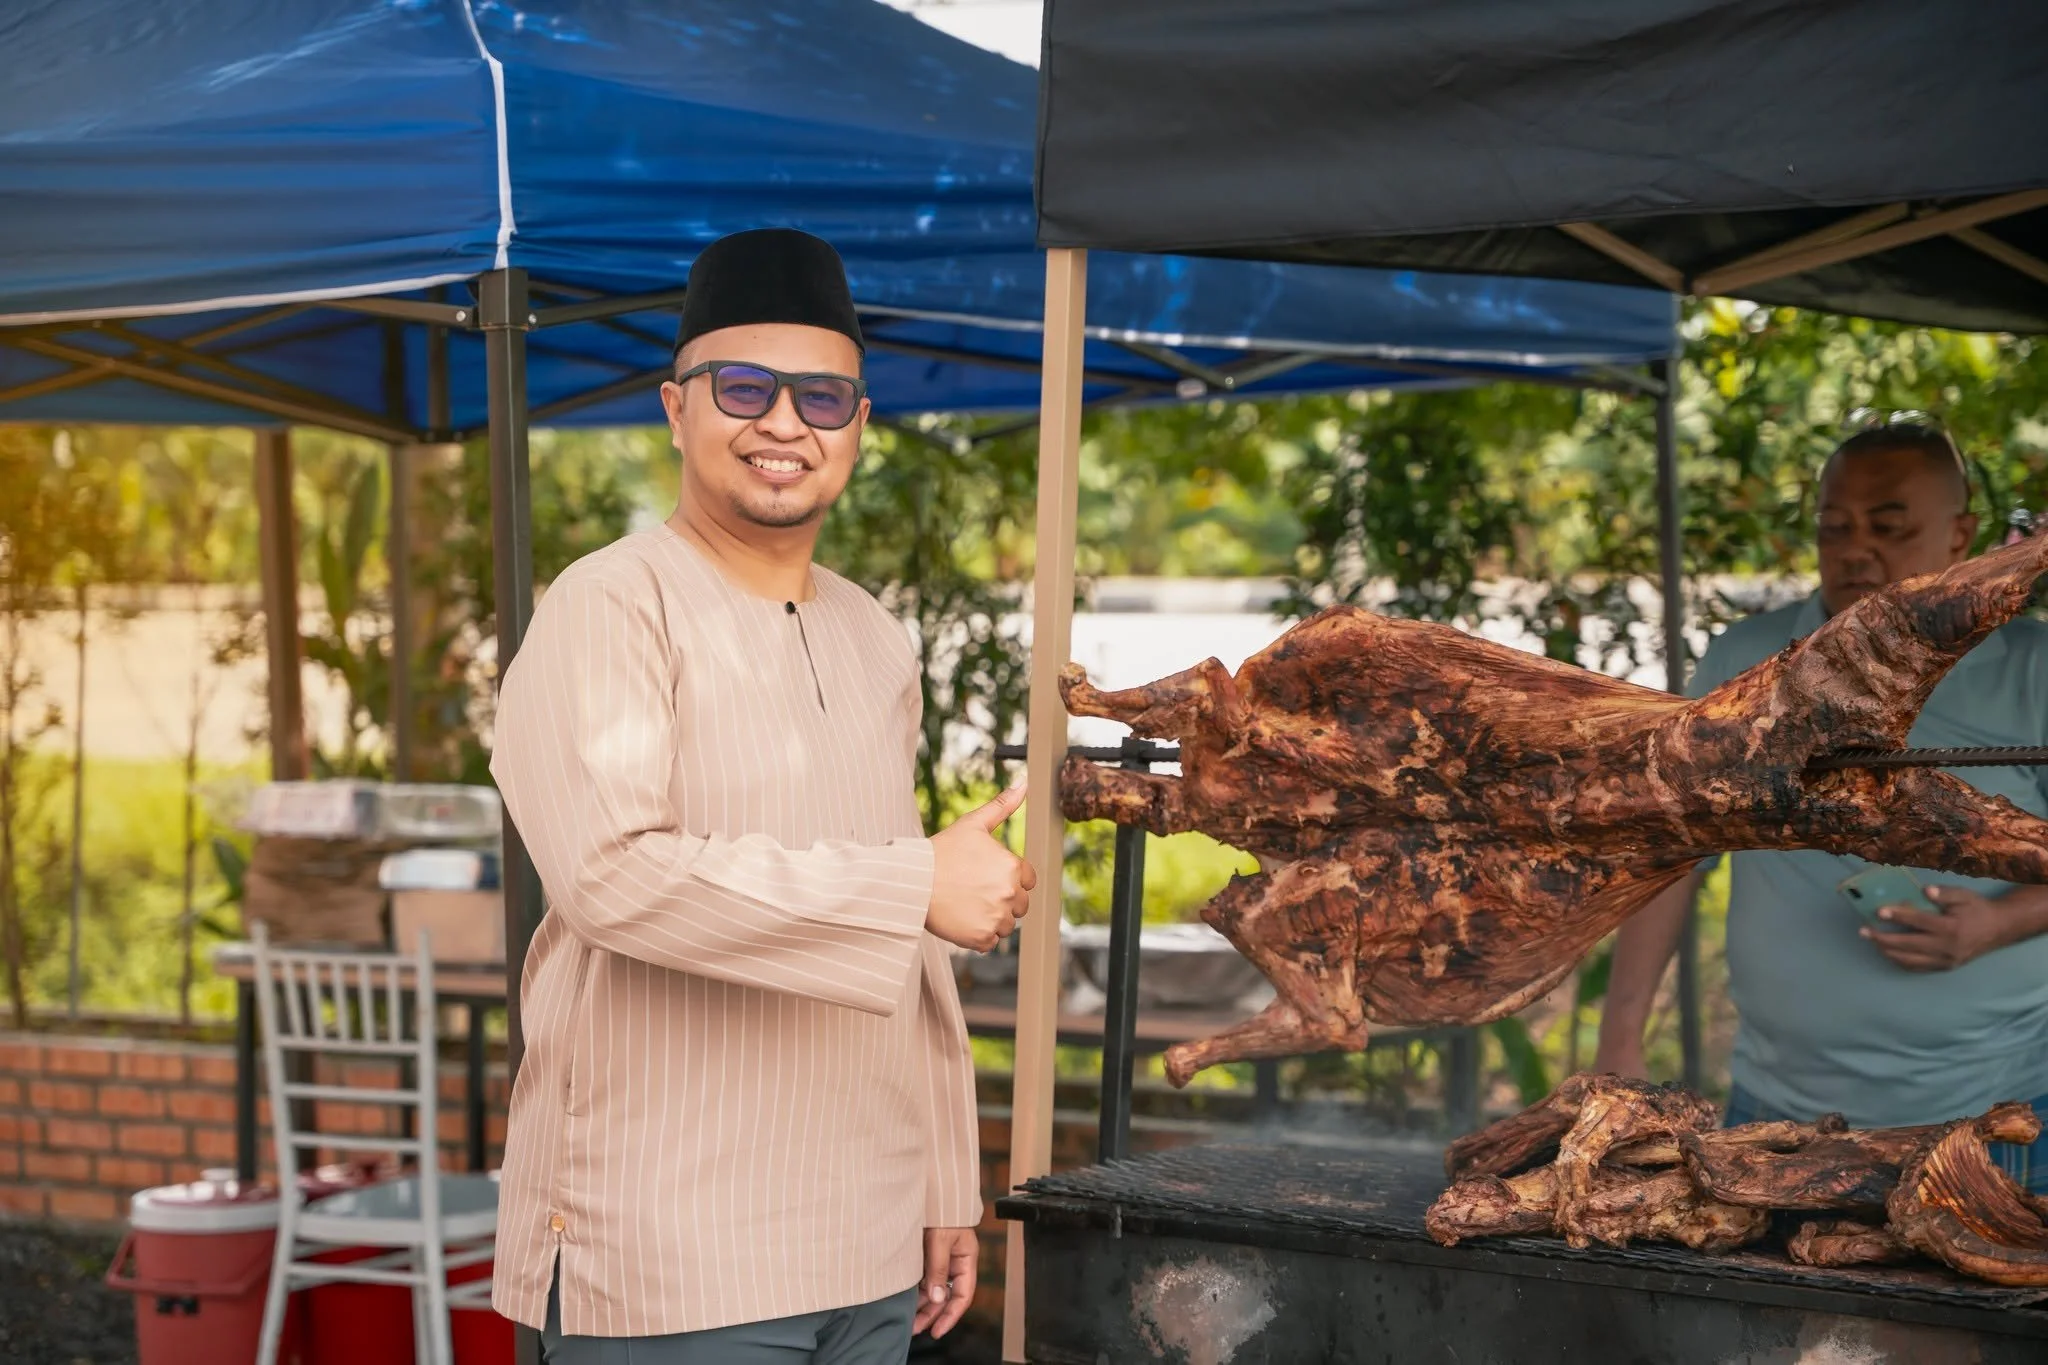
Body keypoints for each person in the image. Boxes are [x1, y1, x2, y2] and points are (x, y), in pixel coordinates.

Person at [488, 228, 1037, 1362]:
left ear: (858, 426)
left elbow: (911, 938)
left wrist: (946, 1181)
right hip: (671, 1255)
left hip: (869, 1239)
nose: (783, 424)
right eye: (743, 387)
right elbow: (609, 878)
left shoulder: (872, 634)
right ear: (675, 408)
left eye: (821, 397)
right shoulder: (609, 605)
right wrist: (911, 879)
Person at [1595, 414, 2048, 1189]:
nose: (1855, 549)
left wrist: (1995, 924)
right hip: (1776, 1114)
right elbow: (1669, 851)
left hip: (1994, 1115)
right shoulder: (1748, 660)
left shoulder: (2032, 670)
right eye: (1834, 526)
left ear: (1961, 534)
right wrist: (1618, 1040)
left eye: (1889, 525)